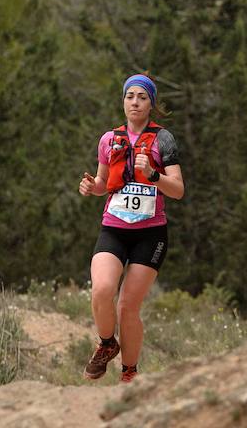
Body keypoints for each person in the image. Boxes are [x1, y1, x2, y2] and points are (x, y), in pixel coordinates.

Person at [78, 74, 184, 382]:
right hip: (113, 227)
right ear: (123, 101)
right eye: (129, 96)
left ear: (151, 104)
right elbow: (102, 183)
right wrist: (91, 187)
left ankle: (129, 374)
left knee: (127, 306)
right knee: (101, 290)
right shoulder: (109, 139)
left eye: (141, 97)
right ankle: (108, 343)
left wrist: (152, 175)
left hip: (150, 234)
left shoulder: (163, 139)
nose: (135, 102)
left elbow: (178, 190)